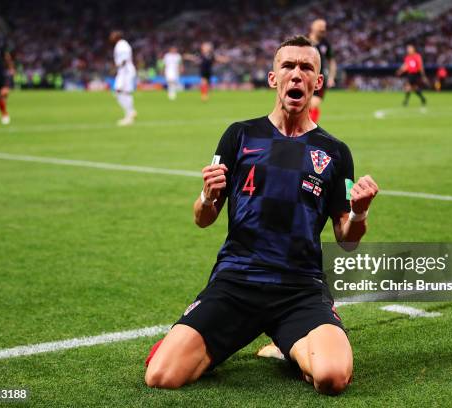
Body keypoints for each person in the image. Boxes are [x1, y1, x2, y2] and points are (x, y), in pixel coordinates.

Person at [144, 35, 379, 395]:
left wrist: (359, 215)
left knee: (332, 378)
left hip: (300, 287)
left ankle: (287, 343)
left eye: (306, 68)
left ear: (318, 83)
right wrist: (207, 197)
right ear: (273, 78)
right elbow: (202, 218)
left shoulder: (335, 153)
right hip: (238, 280)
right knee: (161, 376)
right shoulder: (239, 136)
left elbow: (346, 241)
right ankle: (260, 339)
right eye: (288, 66)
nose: (296, 75)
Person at [308, 19, 336, 124]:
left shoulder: (325, 44)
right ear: (313, 28)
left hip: (319, 79)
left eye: (324, 28)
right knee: (302, 106)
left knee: (314, 104)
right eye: (320, 28)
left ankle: (309, 130)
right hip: (304, 78)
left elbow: (332, 61)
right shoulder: (304, 41)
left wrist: (331, 77)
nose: (323, 30)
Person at [110, 31, 137, 126]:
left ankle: (129, 115)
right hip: (123, 71)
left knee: (122, 92)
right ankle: (130, 112)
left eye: (112, 35)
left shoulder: (122, 45)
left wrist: (116, 68)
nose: (111, 36)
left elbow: (125, 58)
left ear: (117, 36)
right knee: (120, 92)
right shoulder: (120, 44)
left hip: (126, 71)